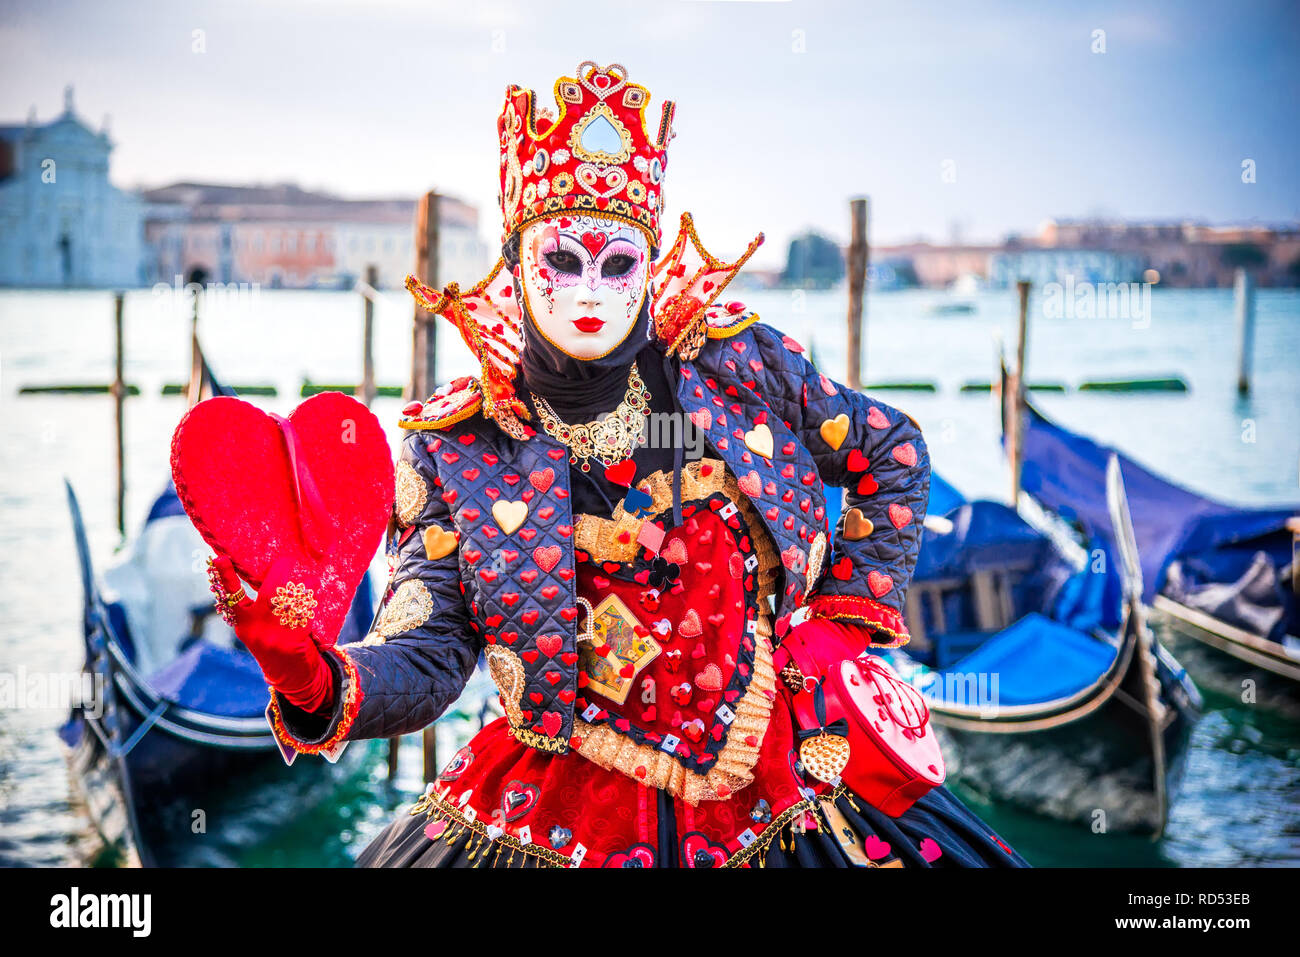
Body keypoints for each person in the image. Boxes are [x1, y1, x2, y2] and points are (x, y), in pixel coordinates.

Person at [209, 61, 1026, 868]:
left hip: (778, 768)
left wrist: (838, 628)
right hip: (559, 799)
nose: (590, 291)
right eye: (562, 261)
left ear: (650, 261)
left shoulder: (730, 365)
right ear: (517, 263)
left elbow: (893, 451)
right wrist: (317, 676)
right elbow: (429, 650)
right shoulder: (461, 442)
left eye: (618, 263)